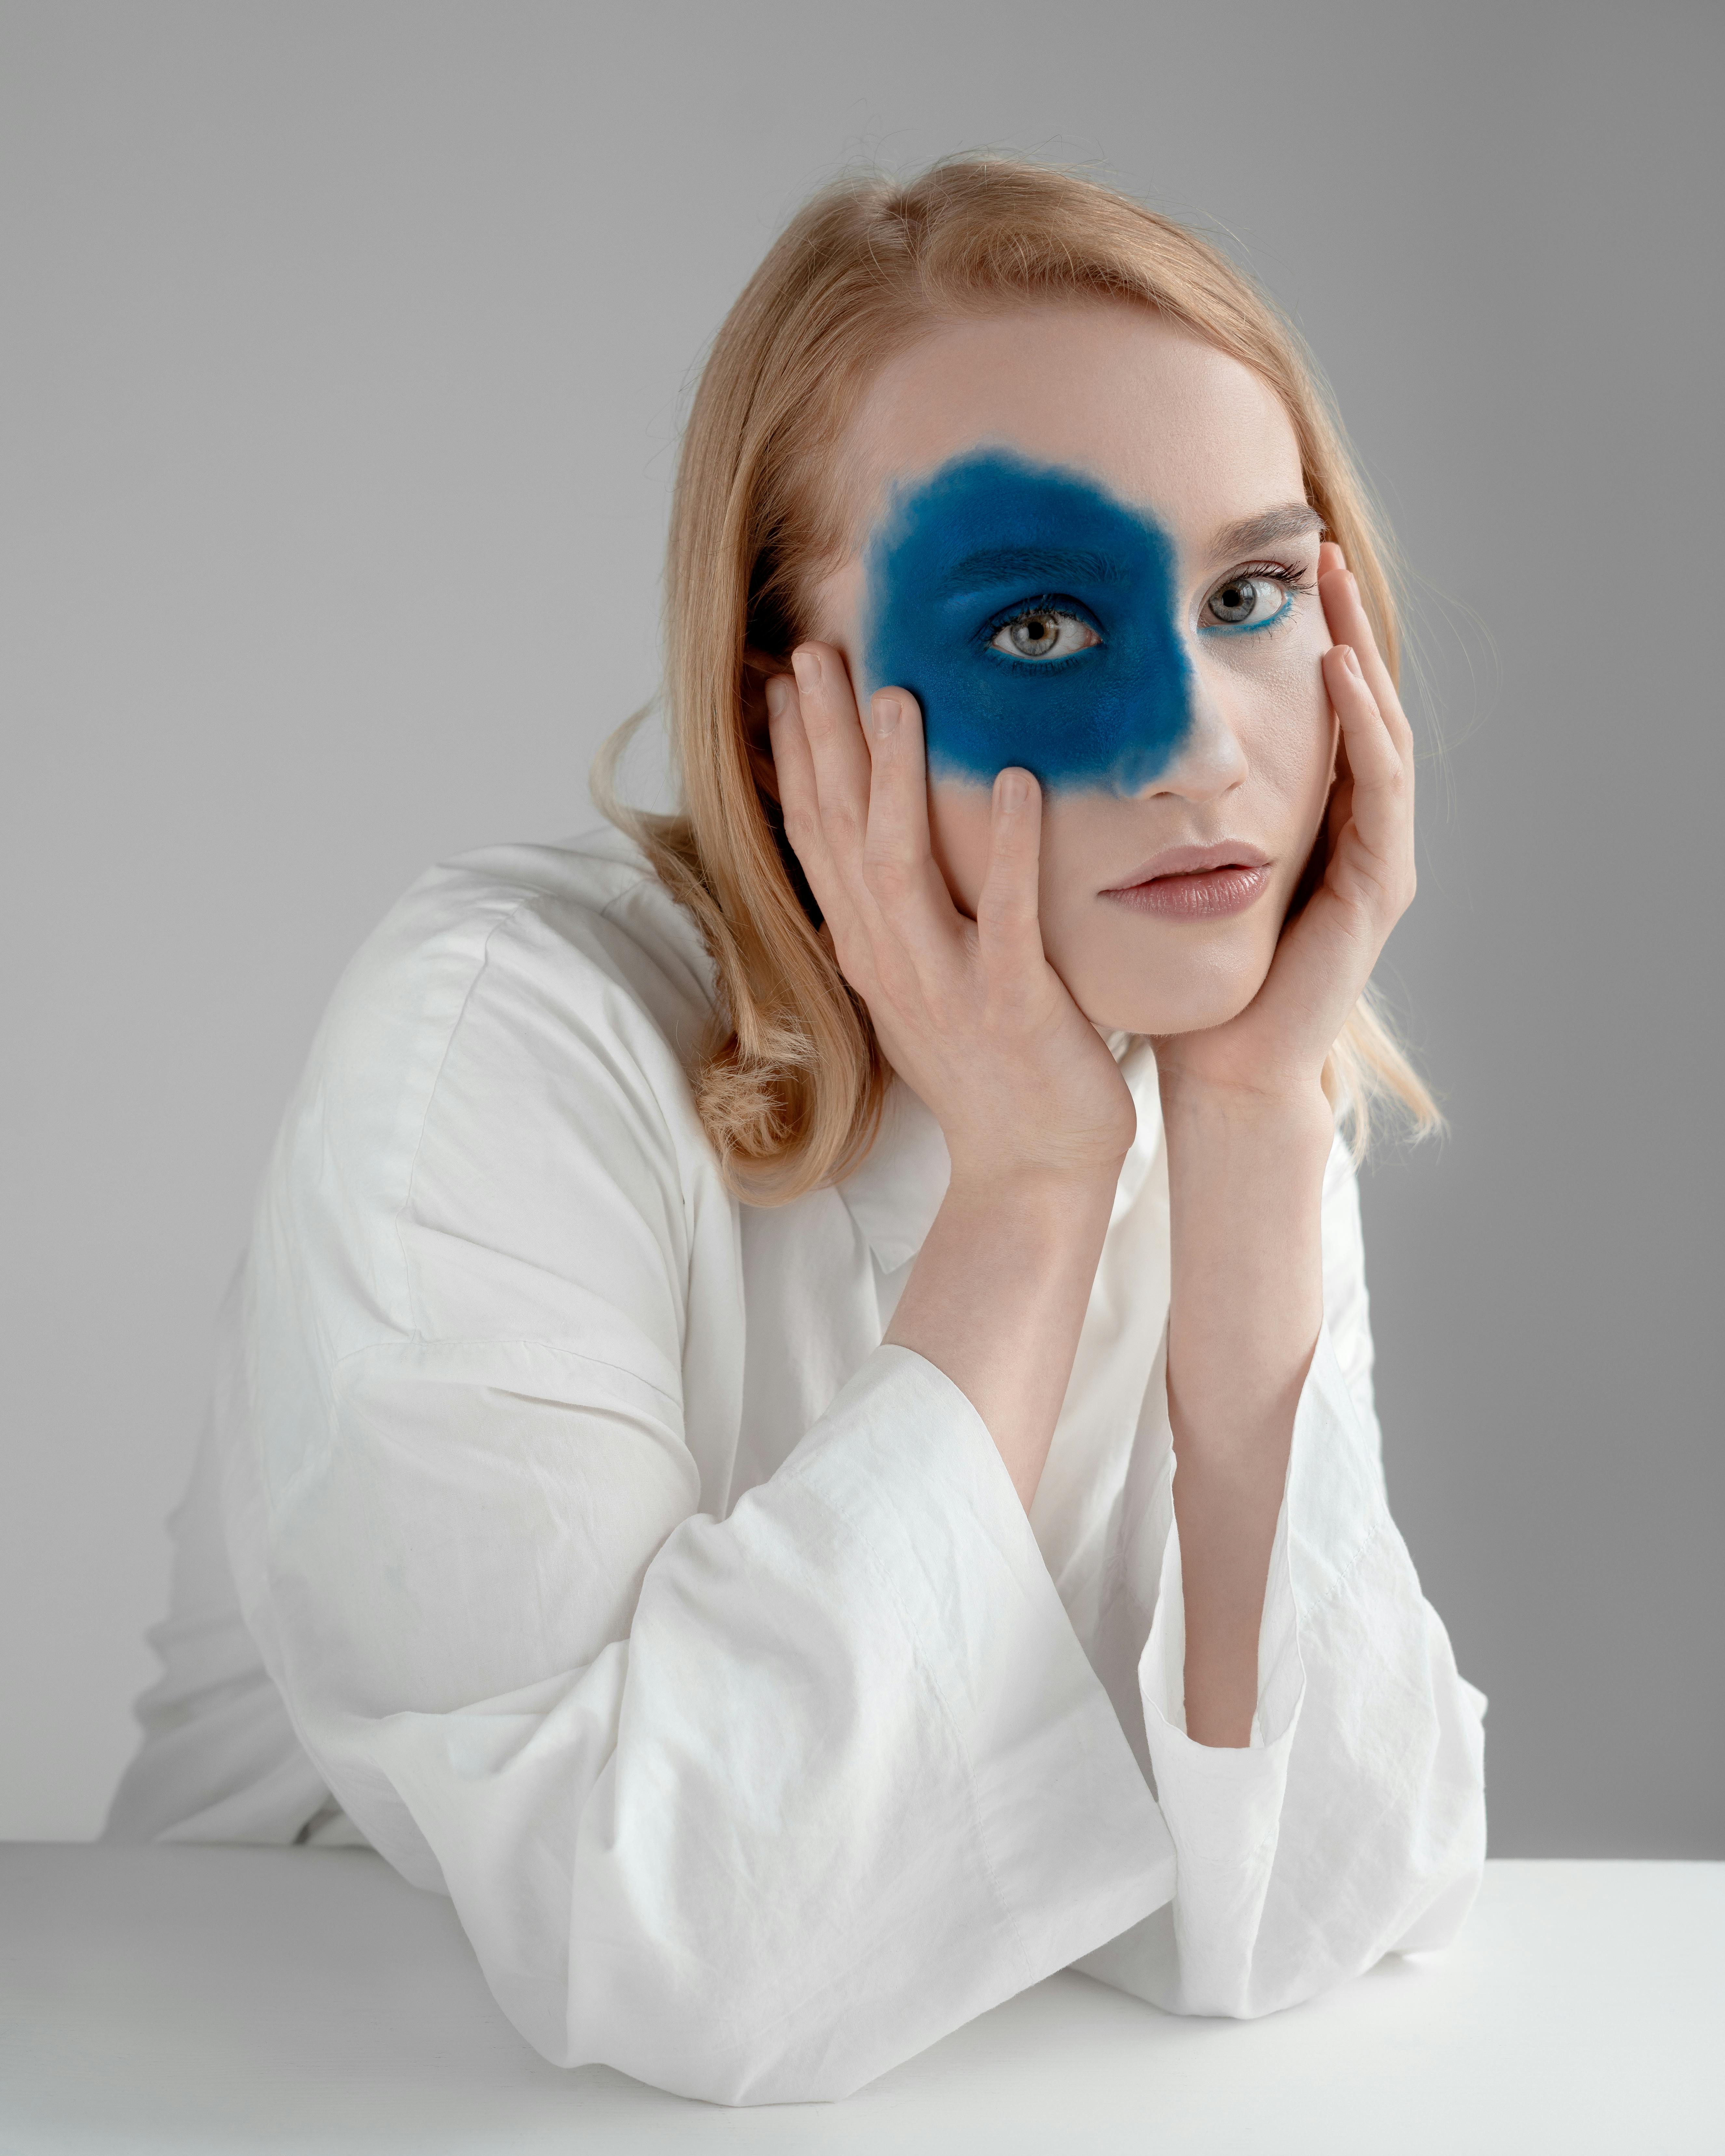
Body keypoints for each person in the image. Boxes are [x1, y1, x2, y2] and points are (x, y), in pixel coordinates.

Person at [106, 156, 1487, 2106]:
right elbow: (674, 1952)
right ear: (789, 716)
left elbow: (1299, 1908)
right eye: (1035, 630)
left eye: (1251, 593)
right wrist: (1026, 1185)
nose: (1204, 744)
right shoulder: (502, 1037)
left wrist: (1255, 1121)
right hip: (290, 2086)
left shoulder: (1212, 1055)